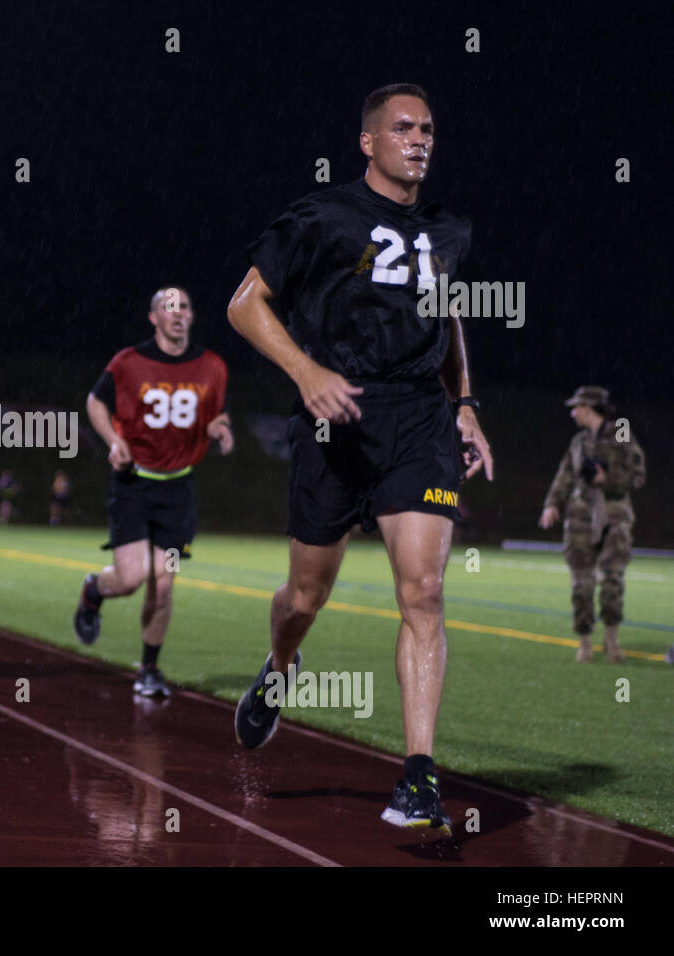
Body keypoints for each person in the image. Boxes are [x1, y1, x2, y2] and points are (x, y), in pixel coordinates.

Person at [226, 84, 492, 835]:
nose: (420, 140)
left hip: (417, 417)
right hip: (335, 414)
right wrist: (307, 373)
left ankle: (417, 779)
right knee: (304, 601)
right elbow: (245, 304)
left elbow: (446, 315)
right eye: (403, 128)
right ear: (369, 142)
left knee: (425, 590)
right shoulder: (323, 215)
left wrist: (465, 405)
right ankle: (280, 667)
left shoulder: (447, 229)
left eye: (429, 129)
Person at [72, 286, 233, 697]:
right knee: (130, 579)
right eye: (169, 306)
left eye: (185, 306)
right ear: (154, 317)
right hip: (132, 484)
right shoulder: (129, 362)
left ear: (192, 317)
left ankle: (149, 669)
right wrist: (112, 440)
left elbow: (218, 411)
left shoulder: (212, 366)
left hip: (178, 490)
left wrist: (221, 429)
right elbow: (95, 403)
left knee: (163, 584)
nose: (178, 313)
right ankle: (94, 590)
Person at [538, 386, 645, 662]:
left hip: (615, 515)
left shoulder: (622, 431)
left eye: (576, 407)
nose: (573, 413)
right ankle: (584, 641)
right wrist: (552, 504)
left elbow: (638, 475)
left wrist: (607, 480)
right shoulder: (577, 442)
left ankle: (611, 639)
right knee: (581, 582)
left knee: (612, 578)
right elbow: (564, 475)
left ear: (588, 408)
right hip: (581, 516)